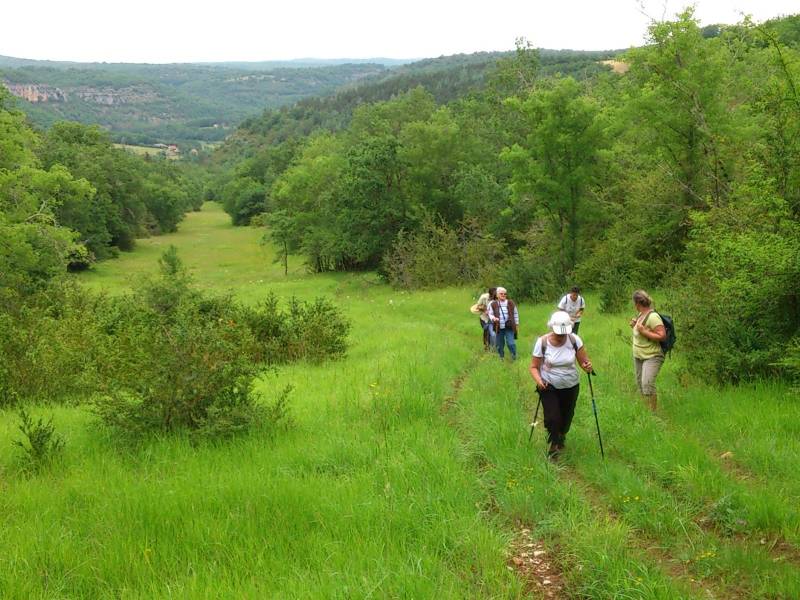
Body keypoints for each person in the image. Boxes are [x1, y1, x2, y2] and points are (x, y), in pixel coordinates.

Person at [530, 311, 593, 459]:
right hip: (548, 385)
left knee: (566, 416)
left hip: (571, 385)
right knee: (553, 417)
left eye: (564, 333)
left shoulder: (574, 340)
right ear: (552, 327)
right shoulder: (542, 342)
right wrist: (539, 381)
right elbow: (533, 367)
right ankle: (553, 446)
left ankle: (561, 435)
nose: (561, 336)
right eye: (559, 333)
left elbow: (583, 362)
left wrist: (588, 366)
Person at [629, 290, 666, 412]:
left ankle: (653, 413)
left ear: (637, 303)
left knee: (647, 385)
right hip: (639, 356)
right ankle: (646, 412)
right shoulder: (640, 315)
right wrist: (634, 324)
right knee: (640, 385)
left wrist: (644, 331)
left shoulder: (653, 316)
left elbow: (662, 335)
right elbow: (641, 329)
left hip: (652, 356)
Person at [489, 287, 519, 360]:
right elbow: (490, 314)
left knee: (511, 343)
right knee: (500, 344)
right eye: (501, 294)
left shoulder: (511, 303)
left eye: (505, 294)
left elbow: (515, 313)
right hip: (499, 327)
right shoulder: (493, 304)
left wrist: (517, 323)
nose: (503, 295)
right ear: (497, 295)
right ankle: (501, 357)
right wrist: (493, 318)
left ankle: (514, 356)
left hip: (509, 326)